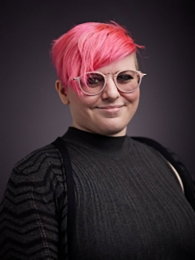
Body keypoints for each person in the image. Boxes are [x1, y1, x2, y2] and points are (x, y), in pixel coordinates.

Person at [0, 21, 195, 260]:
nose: (112, 93)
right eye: (92, 80)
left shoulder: (163, 157)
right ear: (63, 92)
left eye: (124, 77)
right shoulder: (37, 175)